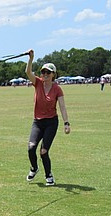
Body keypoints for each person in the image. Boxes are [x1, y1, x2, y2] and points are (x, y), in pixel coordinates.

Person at [25, 50, 70, 187]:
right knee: (31, 147)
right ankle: (34, 168)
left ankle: (48, 175)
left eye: (48, 72)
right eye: (43, 72)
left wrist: (66, 123)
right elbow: (28, 72)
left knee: (44, 151)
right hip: (38, 122)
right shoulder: (37, 83)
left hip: (51, 122)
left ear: (53, 75)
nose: (44, 74)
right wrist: (31, 59)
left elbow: (62, 107)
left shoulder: (57, 89)